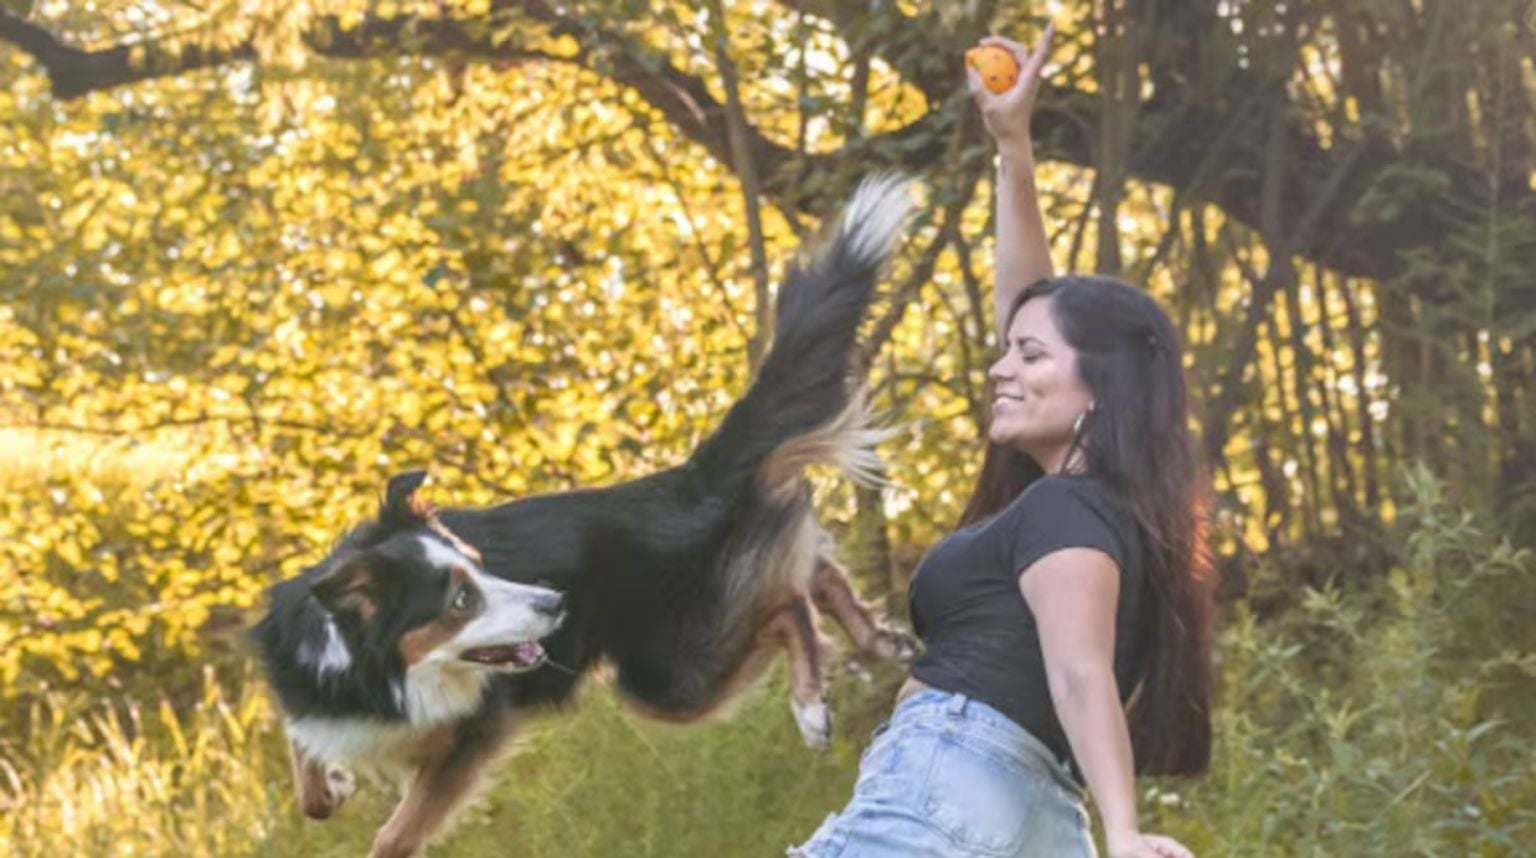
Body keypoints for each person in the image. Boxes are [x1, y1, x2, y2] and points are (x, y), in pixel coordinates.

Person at [787, 23, 1216, 858]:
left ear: (1100, 387)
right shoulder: (1102, 509)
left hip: (952, 771)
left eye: (1027, 359)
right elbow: (1036, 306)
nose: (999, 369)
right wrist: (1012, 146)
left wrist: (1125, 833)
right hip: (1037, 812)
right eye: (1005, 352)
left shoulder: (1067, 512)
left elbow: (1079, 670)